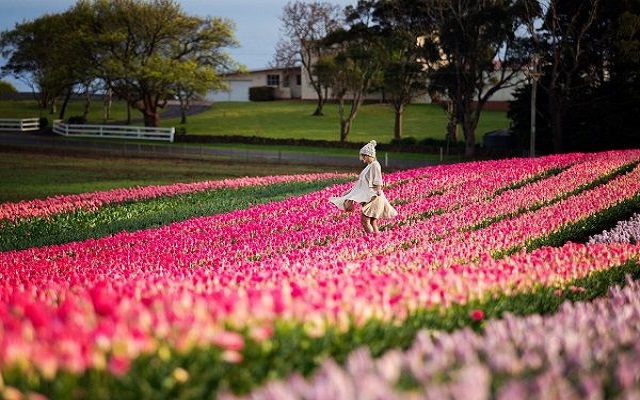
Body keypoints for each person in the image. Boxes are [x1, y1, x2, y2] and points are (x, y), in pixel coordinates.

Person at [329, 140, 398, 233]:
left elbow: (378, 179)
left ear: (369, 155)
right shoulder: (370, 165)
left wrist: (378, 190)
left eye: (363, 156)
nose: (362, 158)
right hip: (371, 196)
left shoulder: (375, 165)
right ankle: (377, 240)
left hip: (374, 197)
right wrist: (349, 192)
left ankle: (371, 241)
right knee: (372, 222)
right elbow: (361, 183)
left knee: (365, 221)